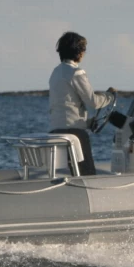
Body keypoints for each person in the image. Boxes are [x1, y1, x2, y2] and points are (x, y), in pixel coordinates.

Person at [48, 31, 114, 176]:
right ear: (78, 52)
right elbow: (94, 102)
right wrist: (110, 96)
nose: (84, 53)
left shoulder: (55, 73)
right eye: (83, 49)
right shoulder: (76, 73)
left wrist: (87, 123)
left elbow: (66, 107)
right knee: (87, 174)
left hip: (55, 132)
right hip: (73, 134)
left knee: (73, 173)